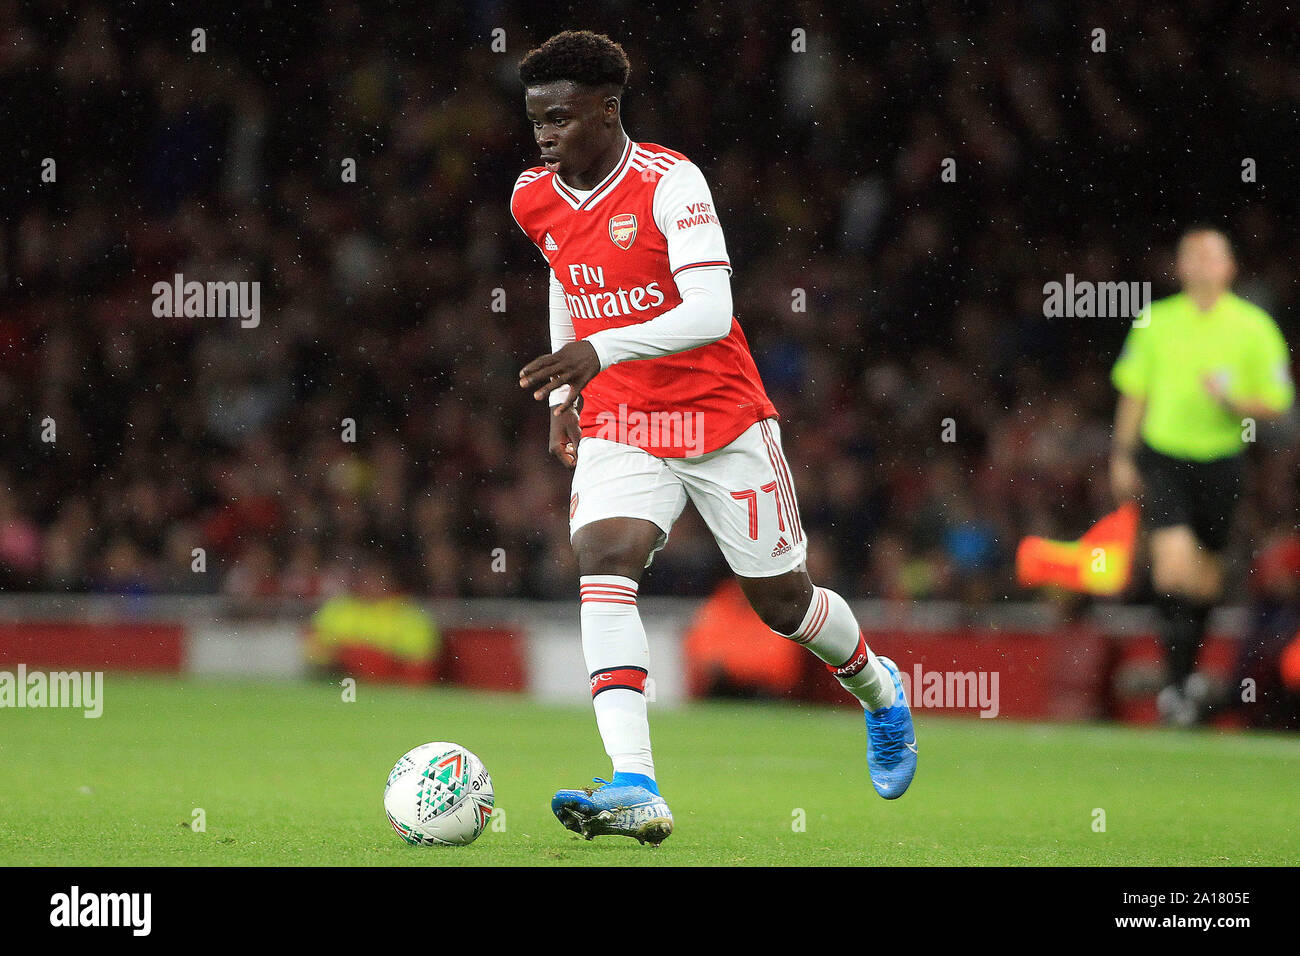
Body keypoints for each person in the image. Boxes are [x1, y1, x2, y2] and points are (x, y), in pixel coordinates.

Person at [510, 30, 916, 845]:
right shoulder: (532, 195)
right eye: (536, 122)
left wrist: (597, 348)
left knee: (781, 602)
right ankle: (636, 784)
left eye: (561, 118)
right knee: (604, 556)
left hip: (720, 419)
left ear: (608, 108)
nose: (546, 135)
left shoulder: (671, 181)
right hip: (623, 418)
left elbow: (710, 314)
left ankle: (879, 689)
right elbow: (566, 268)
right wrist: (568, 387)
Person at [1110, 227, 1294, 725]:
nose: (1201, 263)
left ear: (1229, 268)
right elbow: (1134, 392)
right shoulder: (1156, 321)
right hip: (1164, 456)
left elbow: (1278, 403)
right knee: (1172, 569)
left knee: (1207, 579)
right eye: (1192, 255)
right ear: (1181, 267)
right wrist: (1123, 456)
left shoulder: (1253, 326)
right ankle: (1174, 685)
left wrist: (1234, 402)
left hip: (1222, 461)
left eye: (1212, 255)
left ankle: (1184, 682)